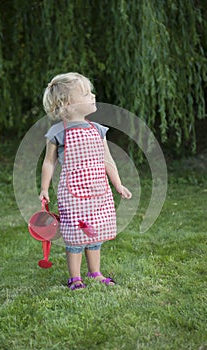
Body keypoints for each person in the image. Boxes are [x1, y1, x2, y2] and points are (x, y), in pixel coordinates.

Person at [39, 72, 132, 290]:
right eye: (87, 93)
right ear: (68, 104)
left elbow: (107, 160)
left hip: (98, 192)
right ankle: (75, 277)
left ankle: (95, 272)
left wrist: (118, 184)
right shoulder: (57, 132)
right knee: (75, 235)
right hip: (73, 196)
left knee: (95, 232)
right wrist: (44, 188)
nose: (93, 96)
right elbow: (48, 163)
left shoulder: (97, 129)